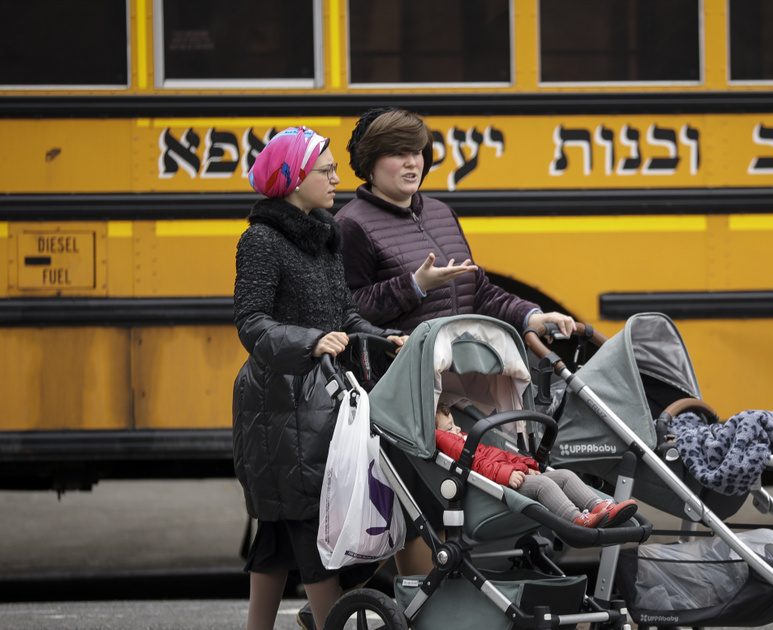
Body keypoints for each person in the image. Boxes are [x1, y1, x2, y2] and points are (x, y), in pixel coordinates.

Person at [334, 106, 578, 574]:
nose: (412, 163)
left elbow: (479, 291)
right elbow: (349, 310)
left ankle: (444, 606)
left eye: (417, 152)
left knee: (462, 502)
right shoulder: (353, 224)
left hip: (458, 389)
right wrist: (415, 285)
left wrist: (533, 314)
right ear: (370, 163)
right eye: (397, 154)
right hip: (401, 397)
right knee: (419, 507)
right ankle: (419, 607)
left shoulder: (441, 213)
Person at [232, 126, 405, 630]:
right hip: (277, 405)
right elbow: (251, 322)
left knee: (280, 536)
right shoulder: (261, 240)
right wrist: (308, 341)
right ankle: (334, 622)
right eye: (325, 170)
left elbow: (345, 316)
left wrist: (384, 336)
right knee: (311, 527)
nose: (336, 178)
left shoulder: (323, 235)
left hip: (318, 401)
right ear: (292, 178)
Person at [435, 400, 638, 528]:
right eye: (450, 426)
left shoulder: (463, 439)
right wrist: (508, 475)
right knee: (545, 485)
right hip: (498, 489)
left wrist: (527, 464)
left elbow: (498, 455)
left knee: (565, 475)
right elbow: (478, 465)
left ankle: (600, 507)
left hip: (512, 476)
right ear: (439, 434)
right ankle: (577, 520)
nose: (458, 427)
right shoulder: (450, 443)